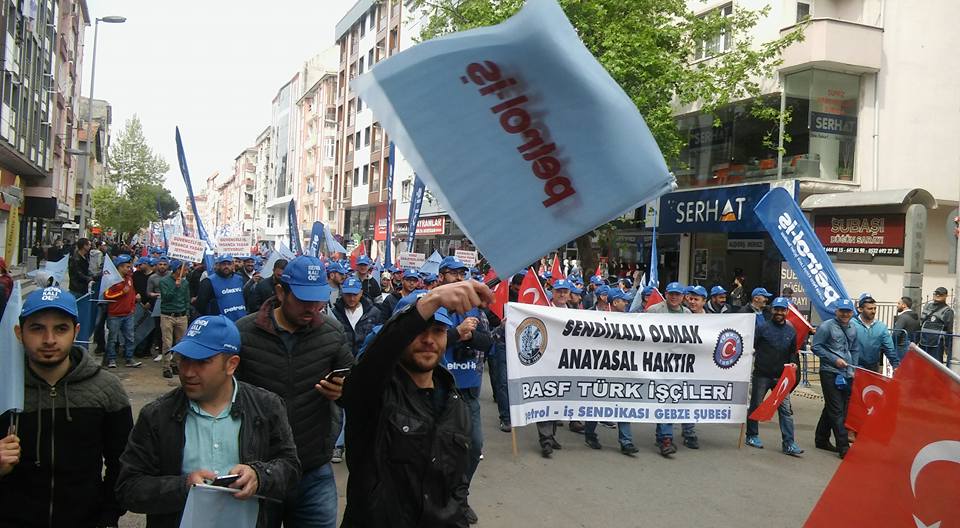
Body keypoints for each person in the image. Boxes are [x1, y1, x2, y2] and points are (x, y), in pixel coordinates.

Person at [115, 315, 301, 528]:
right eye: (184, 359)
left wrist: (259, 476)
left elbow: (291, 468)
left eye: (202, 362)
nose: (188, 372)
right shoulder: (157, 416)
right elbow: (128, 488)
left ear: (231, 364)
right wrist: (183, 487)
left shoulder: (266, 407)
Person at [340, 281, 493, 528]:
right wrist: (431, 301)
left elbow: (456, 485)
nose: (429, 340)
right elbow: (379, 354)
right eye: (419, 330)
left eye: (438, 331)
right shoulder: (372, 394)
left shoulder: (454, 404)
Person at [235, 255, 354, 527]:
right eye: (303, 300)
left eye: (318, 300)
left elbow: (355, 385)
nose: (312, 308)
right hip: (258, 472)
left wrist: (343, 391)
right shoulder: (244, 333)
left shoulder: (332, 332)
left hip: (313, 470)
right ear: (281, 292)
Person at [0, 286, 133, 528]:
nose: (49, 340)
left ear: (76, 331)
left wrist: (108, 515)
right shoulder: (4, 389)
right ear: (19, 332)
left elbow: (123, 462)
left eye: (61, 329)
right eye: (37, 328)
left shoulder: (106, 389)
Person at [437, 256, 491, 523]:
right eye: (453, 273)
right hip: (440, 391)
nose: (458, 278)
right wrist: (456, 332)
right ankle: (439, 498)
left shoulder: (475, 310)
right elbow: (426, 342)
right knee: (439, 450)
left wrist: (469, 337)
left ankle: (460, 496)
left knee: (474, 445)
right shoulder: (433, 306)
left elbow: (488, 343)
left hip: (469, 392)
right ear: (441, 277)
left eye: (462, 273)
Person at [744, 297, 803, 456]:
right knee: (756, 405)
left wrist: (793, 363)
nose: (779, 312)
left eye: (782, 310)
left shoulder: (791, 331)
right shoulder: (762, 328)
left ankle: (789, 443)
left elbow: (792, 353)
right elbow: (751, 347)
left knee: (785, 411)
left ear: (787, 312)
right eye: (777, 309)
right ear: (772, 310)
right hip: (761, 375)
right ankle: (751, 435)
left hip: (782, 378)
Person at [583, 287, 638, 456]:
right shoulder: (598, 318)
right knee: (596, 402)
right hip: (601, 367)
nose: (627, 303)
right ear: (615, 302)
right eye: (624, 300)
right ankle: (590, 434)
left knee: (623, 403)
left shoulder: (629, 319)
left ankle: (626, 441)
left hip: (622, 368)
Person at [646, 282, 695, 456]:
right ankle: (665, 438)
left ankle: (664, 437)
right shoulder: (653, 311)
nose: (674, 297)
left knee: (671, 399)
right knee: (664, 398)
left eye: (677, 294)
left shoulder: (688, 314)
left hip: (679, 364)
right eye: (671, 294)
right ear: (666, 294)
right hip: (657, 362)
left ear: (683, 297)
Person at [812, 299, 860, 459]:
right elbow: (816, 346)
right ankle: (843, 447)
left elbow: (855, 349)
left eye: (848, 311)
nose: (845, 314)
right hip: (829, 371)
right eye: (842, 311)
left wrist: (853, 368)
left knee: (834, 407)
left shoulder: (853, 327)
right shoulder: (826, 327)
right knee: (837, 410)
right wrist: (834, 359)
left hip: (847, 373)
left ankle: (821, 439)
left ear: (852, 312)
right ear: (836, 311)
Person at [103, 254, 143, 369]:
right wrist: (121, 292)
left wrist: (134, 298)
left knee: (130, 337)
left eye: (129, 267)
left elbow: (131, 291)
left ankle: (129, 358)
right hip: (115, 315)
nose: (129, 269)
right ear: (120, 267)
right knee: (112, 338)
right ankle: (111, 359)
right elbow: (106, 295)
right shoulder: (111, 279)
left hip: (128, 314)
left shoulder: (129, 278)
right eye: (127, 267)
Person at [157, 260, 192, 378]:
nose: (187, 272)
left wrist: (187, 311)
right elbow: (166, 297)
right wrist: (176, 287)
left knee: (181, 343)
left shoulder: (185, 282)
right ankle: (166, 367)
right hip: (167, 316)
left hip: (181, 315)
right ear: (177, 270)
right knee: (167, 343)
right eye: (185, 269)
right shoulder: (164, 282)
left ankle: (175, 363)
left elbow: (187, 298)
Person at [852, 294, 899, 372]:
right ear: (860, 309)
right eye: (870, 309)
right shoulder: (851, 324)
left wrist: (895, 365)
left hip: (873, 368)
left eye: (875, 308)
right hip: (853, 367)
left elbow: (889, 348)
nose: (873, 311)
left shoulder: (881, 327)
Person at [195, 254, 248, 322]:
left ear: (233, 265)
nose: (226, 266)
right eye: (223, 264)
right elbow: (200, 306)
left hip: (240, 320)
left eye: (229, 264)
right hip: (220, 323)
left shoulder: (240, 279)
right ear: (218, 265)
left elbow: (246, 297)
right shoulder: (208, 281)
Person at [918, 286, 955, 365]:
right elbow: (921, 322)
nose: (938, 295)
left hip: (937, 344)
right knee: (921, 363)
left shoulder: (948, 311)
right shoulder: (927, 306)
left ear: (946, 296)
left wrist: (948, 347)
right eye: (936, 293)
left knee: (935, 365)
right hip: (923, 341)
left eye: (941, 294)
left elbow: (949, 329)